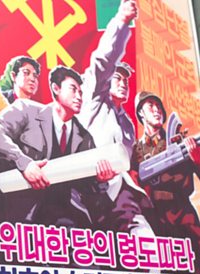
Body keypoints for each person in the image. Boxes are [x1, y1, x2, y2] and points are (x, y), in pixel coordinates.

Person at [0, 65, 114, 229]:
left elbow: (89, 190)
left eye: (81, 92)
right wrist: (24, 163)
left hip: (66, 222)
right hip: (19, 218)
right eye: (73, 89)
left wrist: (101, 180)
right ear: (56, 88)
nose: (79, 97)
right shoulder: (26, 110)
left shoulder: (85, 138)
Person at [79, 0, 155, 236]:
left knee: (144, 238)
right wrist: (121, 21)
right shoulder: (92, 99)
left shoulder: (128, 125)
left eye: (126, 80)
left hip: (120, 195)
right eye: (117, 78)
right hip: (83, 189)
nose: (123, 83)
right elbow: (104, 60)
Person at [132, 91, 200, 257]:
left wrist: (196, 158)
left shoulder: (180, 142)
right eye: (150, 106)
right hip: (155, 219)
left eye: (159, 106)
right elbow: (132, 186)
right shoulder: (136, 151)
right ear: (140, 112)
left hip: (183, 216)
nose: (157, 110)